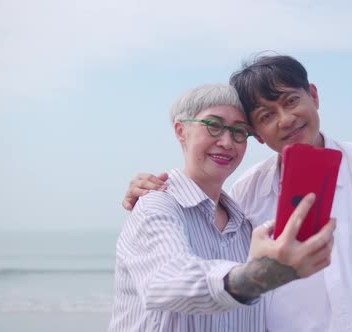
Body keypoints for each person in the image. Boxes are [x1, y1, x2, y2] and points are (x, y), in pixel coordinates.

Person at [124, 55, 352, 331]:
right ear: (256, 134)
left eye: (291, 101)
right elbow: (192, 260)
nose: (285, 120)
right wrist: (150, 189)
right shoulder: (247, 194)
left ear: (313, 95)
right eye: (266, 115)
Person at [109, 83, 336, 332]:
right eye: (214, 126)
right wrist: (256, 276)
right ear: (180, 130)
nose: (227, 142)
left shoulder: (244, 224)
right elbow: (166, 281)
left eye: (239, 131)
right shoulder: (157, 204)